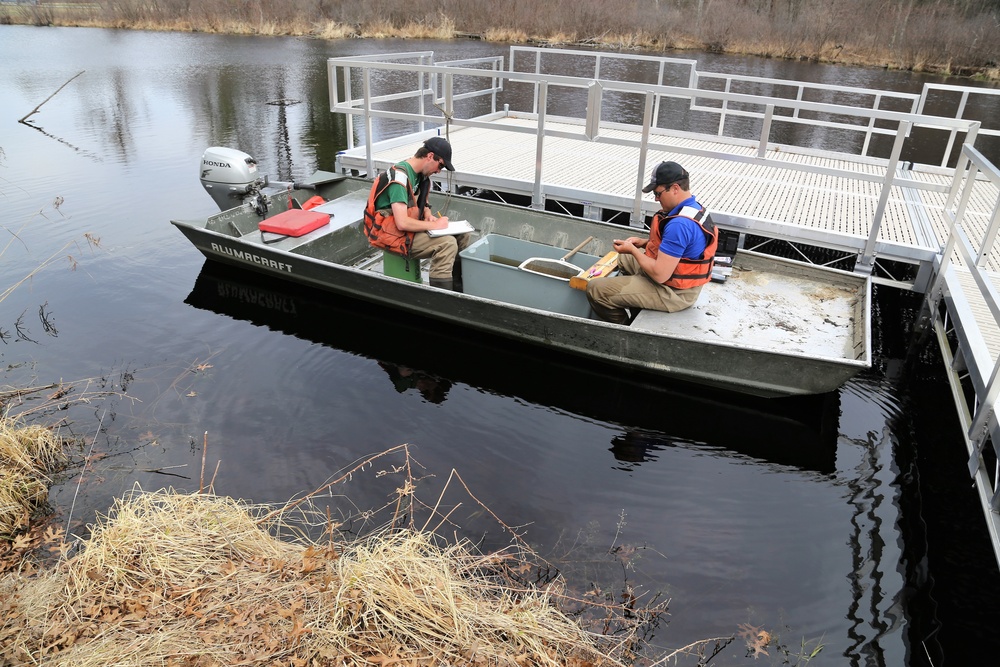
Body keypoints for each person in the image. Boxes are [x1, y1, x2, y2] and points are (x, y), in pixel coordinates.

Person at [586, 161, 718, 324]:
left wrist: (633, 250)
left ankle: (624, 329)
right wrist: (643, 243)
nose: (656, 199)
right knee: (623, 258)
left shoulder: (680, 225)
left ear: (675, 188)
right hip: (675, 278)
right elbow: (680, 247)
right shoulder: (692, 207)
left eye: (658, 193)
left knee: (596, 290)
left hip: (674, 292)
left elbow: (660, 274)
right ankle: (635, 298)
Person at [363, 136, 471, 290]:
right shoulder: (399, 179)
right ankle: (442, 296)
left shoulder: (420, 174)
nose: (439, 171)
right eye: (440, 166)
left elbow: (419, 202)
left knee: (463, 235)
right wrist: (436, 225)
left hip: (404, 230)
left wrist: (427, 213)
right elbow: (402, 223)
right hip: (390, 235)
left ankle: (458, 287)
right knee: (447, 244)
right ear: (430, 156)